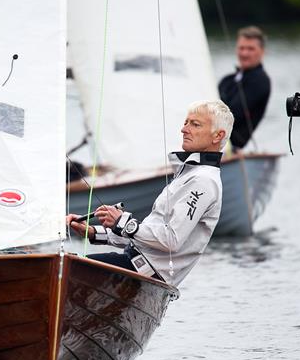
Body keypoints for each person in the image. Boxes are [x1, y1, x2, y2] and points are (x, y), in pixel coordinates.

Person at [65, 99, 234, 286]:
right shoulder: (190, 174)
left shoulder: (203, 181)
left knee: (63, 268)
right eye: (186, 122)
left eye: (195, 124)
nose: (184, 129)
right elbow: (146, 238)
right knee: (65, 263)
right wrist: (92, 232)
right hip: (134, 264)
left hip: (145, 275)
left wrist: (122, 222)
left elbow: (171, 240)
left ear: (218, 136)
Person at [217, 25, 271, 151]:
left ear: (262, 51)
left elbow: (232, 114)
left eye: (250, 49)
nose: (244, 53)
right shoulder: (227, 80)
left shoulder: (260, 81)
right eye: (241, 48)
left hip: (229, 147)